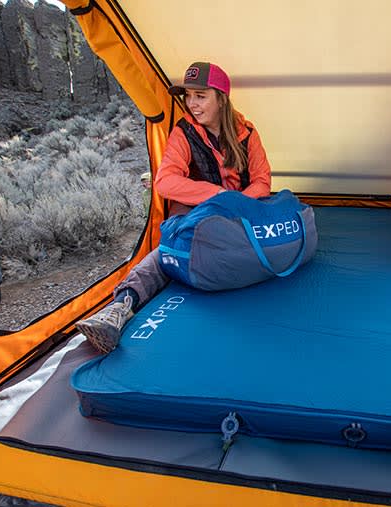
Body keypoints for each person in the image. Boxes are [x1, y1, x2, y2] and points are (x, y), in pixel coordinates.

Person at [76, 62, 271, 354]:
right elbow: (165, 183)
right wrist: (216, 195)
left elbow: (262, 182)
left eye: (200, 96)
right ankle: (120, 306)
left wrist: (235, 204)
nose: (191, 104)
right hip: (195, 213)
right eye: (188, 96)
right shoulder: (184, 132)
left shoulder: (247, 132)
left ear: (221, 97)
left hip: (236, 212)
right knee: (171, 252)